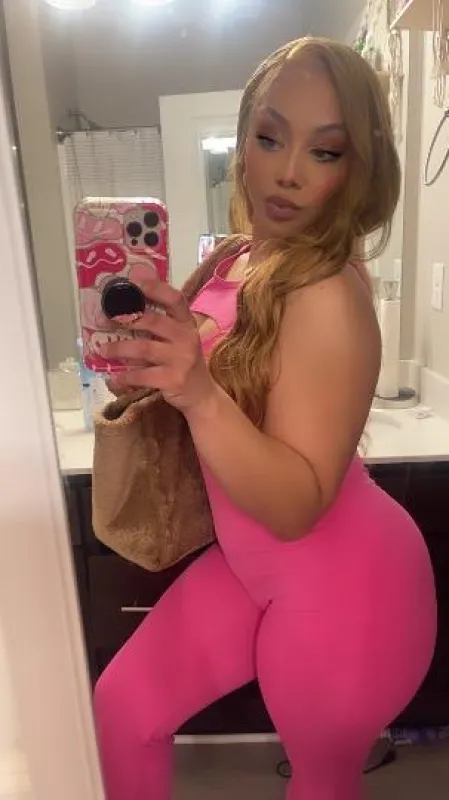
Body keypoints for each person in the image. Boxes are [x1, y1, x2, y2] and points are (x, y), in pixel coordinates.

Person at [93, 37, 437, 800]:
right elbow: (227, 390)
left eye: (325, 151)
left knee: (318, 784)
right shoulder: (240, 258)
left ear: (356, 169)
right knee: (121, 710)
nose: (287, 172)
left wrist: (197, 393)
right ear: (243, 139)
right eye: (270, 137)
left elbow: (295, 507)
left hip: (347, 586)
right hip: (253, 567)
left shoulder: (327, 292)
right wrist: (157, 364)